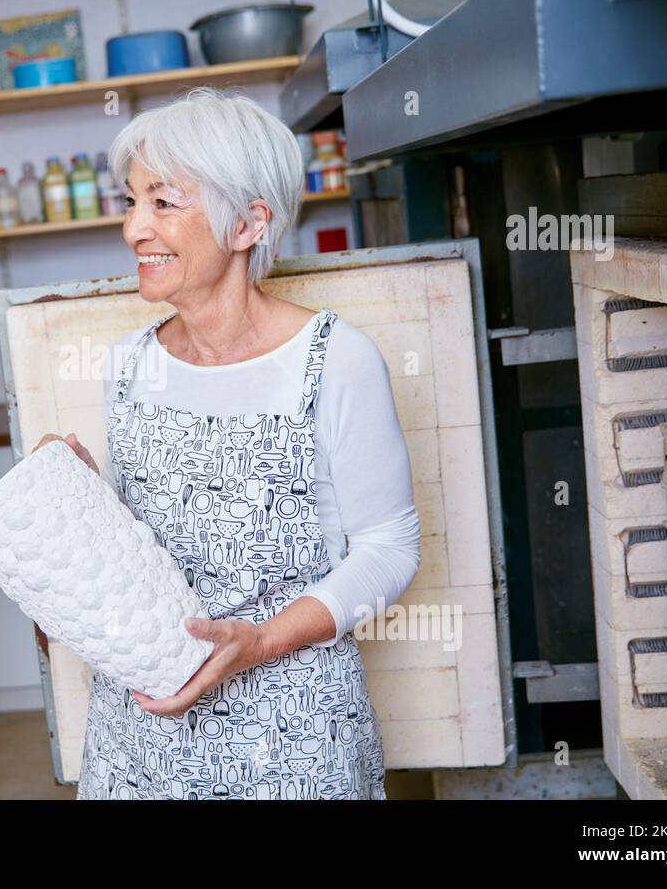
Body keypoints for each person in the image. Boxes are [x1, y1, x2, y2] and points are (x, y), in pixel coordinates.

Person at [36, 89, 421, 799]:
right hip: (144, 737)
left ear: (249, 223)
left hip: (293, 735)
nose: (133, 228)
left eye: (163, 202)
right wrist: (72, 506)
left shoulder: (334, 359)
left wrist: (261, 641)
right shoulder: (127, 364)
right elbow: (147, 551)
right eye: (131, 201)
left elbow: (390, 548)